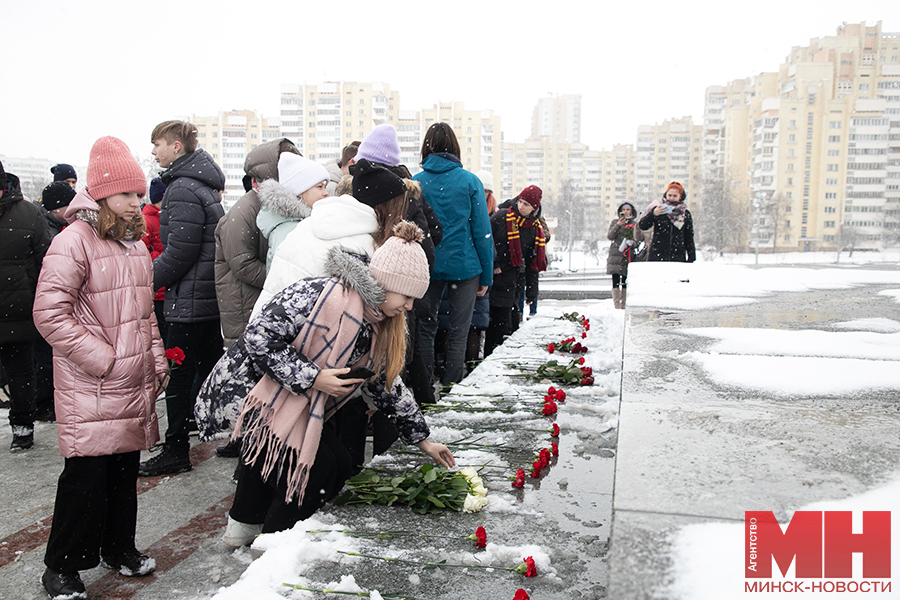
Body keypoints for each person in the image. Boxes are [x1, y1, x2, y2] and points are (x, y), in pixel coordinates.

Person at [195, 222, 455, 542]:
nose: (410, 306)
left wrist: (422, 439)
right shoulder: (320, 295)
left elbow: (385, 385)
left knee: (338, 461)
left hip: (291, 400)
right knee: (319, 469)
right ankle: (274, 542)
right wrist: (314, 377)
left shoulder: (378, 323)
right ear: (385, 284)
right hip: (251, 395)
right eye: (407, 296)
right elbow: (259, 338)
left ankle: (250, 527)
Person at [33, 137, 165, 600]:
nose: (138, 202)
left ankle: (118, 547)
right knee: (85, 478)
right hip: (93, 384)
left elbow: (143, 313)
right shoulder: (75, 241)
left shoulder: (131, 244)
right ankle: (62, 566)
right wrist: (103, 360)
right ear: (103, 193)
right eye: (129, 194)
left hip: (131, 382)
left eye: (139, 194)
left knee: (123, 473)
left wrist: (156, 356)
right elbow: (50, 313)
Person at [139, 120, 225, 477]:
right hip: (205, 298)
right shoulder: (202, 185)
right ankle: (235, 435)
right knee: (212, 372)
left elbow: (180, 253)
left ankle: (176, 449)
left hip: (189, 301)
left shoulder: (182, 189)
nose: (153, 151)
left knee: (178, 374)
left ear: (176, 146)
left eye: (157, 143)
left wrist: (143, 280)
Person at [412, 123, 493, 388]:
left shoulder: (416, 182)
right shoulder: (470, 181)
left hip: (429, 265)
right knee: (459, 332)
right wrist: (487, 276)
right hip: (465, 265)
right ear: (455, 147)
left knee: (425, 328)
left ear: (427, 146)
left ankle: (424, 390)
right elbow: (482, 231)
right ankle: (451, 387)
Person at [0, 160, 50, 450]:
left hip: (19, 309)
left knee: (21, 372)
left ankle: (22, 426)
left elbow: (47, 261)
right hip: (20, 305)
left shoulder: (30, 214)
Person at [484, 186, 547, 358]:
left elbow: (533, 264)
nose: (521, 207)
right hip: (491, 277)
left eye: (526, 204)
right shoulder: (502, 216)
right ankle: (484, 361)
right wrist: (494, 262)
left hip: (511, 282)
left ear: (534, 207)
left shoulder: (534, 229)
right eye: (520, 201)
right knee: (486, 324)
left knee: (504, 326)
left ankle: (495, 359)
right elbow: (485, 240)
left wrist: (532, 292)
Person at [33, 182, 77, 422]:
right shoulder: (50, 232)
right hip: (46, 302)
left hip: (49, 300)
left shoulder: (58, 228)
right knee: (44, 358)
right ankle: (43, 404)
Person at [639, 181, 696, 263]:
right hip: (657, 255)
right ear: (666, 195)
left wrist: (691, 256)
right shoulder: (658, 210)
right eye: (670, 195)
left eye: (675, 196)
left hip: (677, 257)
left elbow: (688, 236)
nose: (672, 198)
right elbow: (643, 226)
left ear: (680, 196)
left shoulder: (685, 213)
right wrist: (653, 213)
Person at [141, 177, 167, 342]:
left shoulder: (163, 217)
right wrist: (163, 258)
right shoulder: (147, 220)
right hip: (157, 288)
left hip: (166, 285)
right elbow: (141, 253)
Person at [607, 202, 644, 309]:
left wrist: (632, 243)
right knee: (615, 279)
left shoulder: (634, 224)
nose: (626, 212)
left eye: (628, 210)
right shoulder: (615, 222)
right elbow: (610, 236)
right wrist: (618, 225)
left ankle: (624, 304)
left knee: (625, 280)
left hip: (628, 254)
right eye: (624, 209)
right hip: (616, 254)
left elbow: (638, 239)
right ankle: (616, 304)